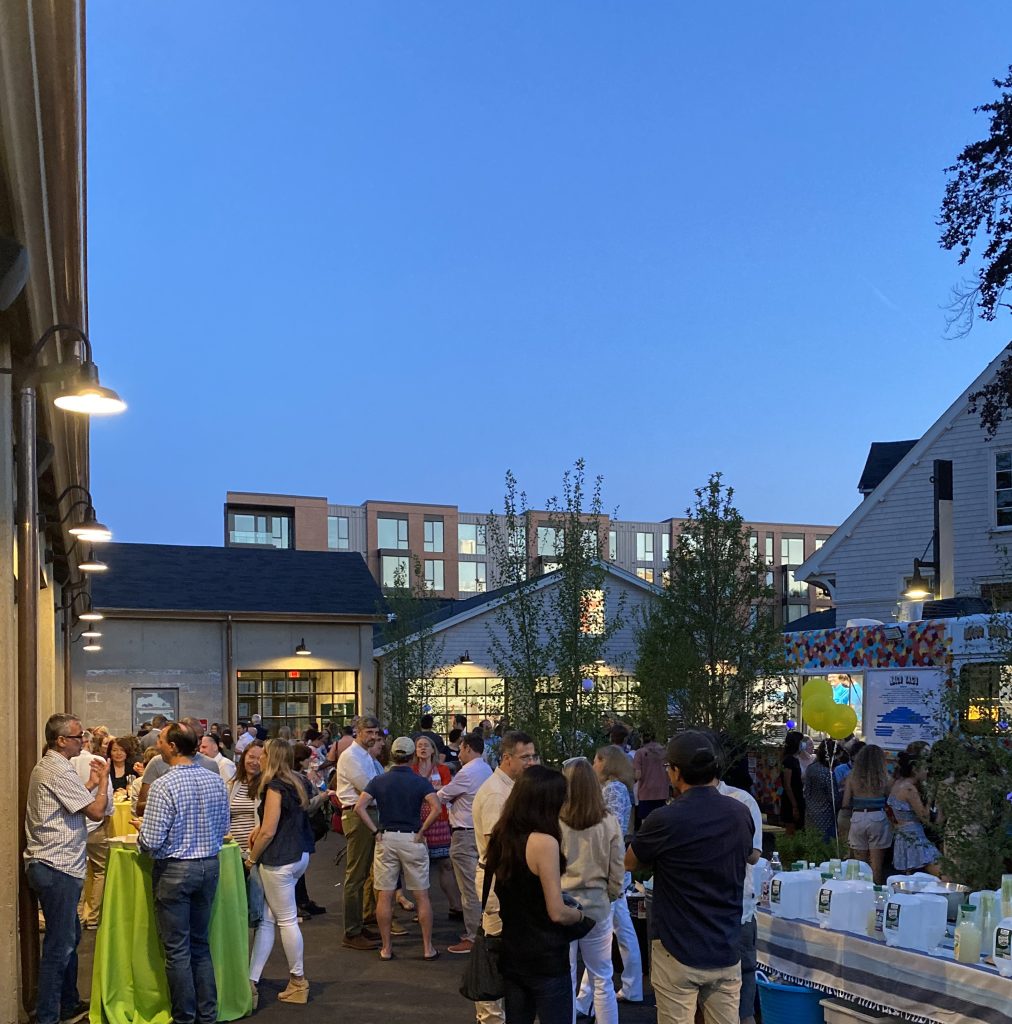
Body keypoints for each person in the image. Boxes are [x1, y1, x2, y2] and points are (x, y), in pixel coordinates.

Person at [627, 731, 756, 1024]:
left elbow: (630, 861)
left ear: (675, 772)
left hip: (677, 946)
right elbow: (749, 854)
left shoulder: (665, 819)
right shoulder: (739, 812)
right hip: (725, 943)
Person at [137, 721, 229, 1024]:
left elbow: (151, 841)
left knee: (177, 950)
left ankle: (184, 1017)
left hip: (175, 870)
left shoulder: (164, 784)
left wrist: (141, 831)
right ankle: (208, 1014)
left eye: (162, 740)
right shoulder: (215, 779)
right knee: (200, 945)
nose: (158, 744)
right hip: (210, 866)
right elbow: (224, 828)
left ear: (174, 747)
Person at [486, 765, 588, 1024]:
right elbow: (556, 911)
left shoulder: (501, 836)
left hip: (512, 952)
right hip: (545, 957)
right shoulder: (544, 843)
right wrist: (578, 916)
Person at [25, 713, 111, 1024]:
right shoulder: (57, 770)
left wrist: (89, 782)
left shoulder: (55, 767)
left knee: (69, 939)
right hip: (56, 865)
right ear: (61, 740)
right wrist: (103, 782)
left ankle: (67, 1002)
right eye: (78, 737)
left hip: (57, 864)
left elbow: (70, 801)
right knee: (59, 948)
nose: (83, 741)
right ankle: (49, 1014)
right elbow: (97, 811)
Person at [355, 736, 442, 960]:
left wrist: (375, 831)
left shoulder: (379, 780)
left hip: (386, 838)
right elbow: (436, 807)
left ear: (393, 755)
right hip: (412, 838)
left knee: (384, 895)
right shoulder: (419, 781)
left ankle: (386, 947)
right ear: (412, 756)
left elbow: (360, 807)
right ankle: (427, 947)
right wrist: (422, 831)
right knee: (422, 895)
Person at [472, 730, 538, 1024]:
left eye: (534, 756)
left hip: (505, 879)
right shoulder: (497, 793)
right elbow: (497, 845)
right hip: (498, 881)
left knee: (505, 953)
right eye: (526, 757)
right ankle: (491, 1018)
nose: (531, 762)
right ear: (507, 758)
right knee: (495, 954)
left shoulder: (510, 787)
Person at [247, 740, 315, 1007]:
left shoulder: (275, 786)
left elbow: (269, 830)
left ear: (271, 757)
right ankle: (251, 978)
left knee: (285, 920)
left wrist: (251, 859)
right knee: (268, 919)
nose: (258, 758)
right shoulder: (296, 782)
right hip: (299, 856)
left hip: (279, 860)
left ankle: (298, 981)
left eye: (262, 754)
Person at [576, 745, 642, 1011]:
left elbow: (608, 831)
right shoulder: (620, 789)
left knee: (601, 936)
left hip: (607, 872)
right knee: (620, 930)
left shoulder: (612, 790)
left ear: (604, 761)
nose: (593, 764)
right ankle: (631, 985)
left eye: (595, 760)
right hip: (614, 871)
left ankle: (585, 1000)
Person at [561, 758, 624, 1024]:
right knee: (603, 977)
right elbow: (617, 864)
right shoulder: (608, 821)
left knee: (565, 976)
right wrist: (611, 893)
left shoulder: (556, 820)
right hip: (597, 904)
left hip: (561, 906)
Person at [717, 741, 764, 1024]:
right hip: (701, 910)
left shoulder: (742, 801)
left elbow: (754, 855)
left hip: (738, 905)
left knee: (744, 977)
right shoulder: (682, 806)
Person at [436, 731, 493, 954]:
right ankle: (480, 930)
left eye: (460, 749)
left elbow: (443, 794)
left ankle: (473, 936)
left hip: (464, 833)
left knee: (469, 888)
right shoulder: (485, 768)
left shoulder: (467, 772)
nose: (459, 753)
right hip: (478, 831)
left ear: (468, 748)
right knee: (479, 884)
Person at [335, 715, 383, 949]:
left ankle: (360, 923)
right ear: (358, 732)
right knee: (355, 875)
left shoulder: (364, 756)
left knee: (364, 873)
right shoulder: (351, 756)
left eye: (376, 733)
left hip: (366, 813)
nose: (374, 737)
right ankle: (351, 931)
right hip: (358, 815)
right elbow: (369, 787)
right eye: (369, 733)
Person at [412, 735, 463, 921]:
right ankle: (423, 910)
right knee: (419, 868)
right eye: (419, 746)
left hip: (440, 820)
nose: (423, 748)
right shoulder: (412, 770)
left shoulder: (441, 769)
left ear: (433, 750)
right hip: (418, 822)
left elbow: (448, 792)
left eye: (426, 745)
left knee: (446, 864)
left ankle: (455, 906)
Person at [135, 718, 220, 814]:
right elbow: (139, 808)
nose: (197, 743)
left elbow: (220, 811)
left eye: (200, 738)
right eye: (191, 738)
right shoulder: (157, 763)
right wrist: (165, 801)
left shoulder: (211, 765)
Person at [842, 744, 893, 885]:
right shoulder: (884, 777)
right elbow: (892, 799)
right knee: (876, 866)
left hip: (857, 817)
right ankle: (876, 895)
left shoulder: (852, 776)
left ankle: (860, 892)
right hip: (878, 817)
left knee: (860, 865)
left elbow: (845, 802)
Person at [888, 750, 941, 875]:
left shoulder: (897, 783)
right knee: (941, 872)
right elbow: (924, 816)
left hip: (902, 834)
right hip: (915, 835)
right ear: (915, 770)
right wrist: (932, 798)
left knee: (908, 874)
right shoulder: (910, 789)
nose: (927, 771)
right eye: (924, 768)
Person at [227, 741, 264, 854]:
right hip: (233, 850)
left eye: (259, 759)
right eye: (251, 757)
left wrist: (251, 852)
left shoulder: (267, 786)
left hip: (255, 851)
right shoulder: (233, 784)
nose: (254, 762)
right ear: (244, 757)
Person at [803, 739, 838, 841]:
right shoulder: (827, 773)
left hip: (810, 813)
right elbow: (833, 797)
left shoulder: (811, 768)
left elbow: (807, 790)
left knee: (811, 844)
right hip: (826, 817)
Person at [633, 728, 668, 828]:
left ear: (642, 738)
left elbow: (638, 775)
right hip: (662, 791)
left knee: (646, 823)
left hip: (646, 791)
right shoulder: (664, 752)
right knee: (661, 822)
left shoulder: (640, 753)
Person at [779, 731, 805, 835]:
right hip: (791, 799)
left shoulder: (795, 760)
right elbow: (787, 784)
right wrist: (794, 805)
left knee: (797, 829)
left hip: (797, 796)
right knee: (791, 829)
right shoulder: (789, 761)